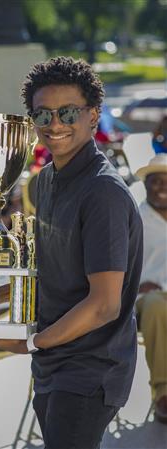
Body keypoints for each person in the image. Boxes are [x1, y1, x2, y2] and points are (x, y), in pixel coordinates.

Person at [0, 57, 144, 449]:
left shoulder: (104, 193)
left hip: (91, 370)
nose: (55, 124)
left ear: (93, 115)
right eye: (42, 114)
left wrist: (30, 342)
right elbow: (49, 271)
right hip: (52, 364)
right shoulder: (45, 181)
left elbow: (104, 305)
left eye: (67, 112)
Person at [135, 154, 167, 424]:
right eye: (156, 182)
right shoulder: (134, 220)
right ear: (146, 185)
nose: (163, 187)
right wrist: (134, 284)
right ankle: (164, 394)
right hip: (144, 298)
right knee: (157, 303)